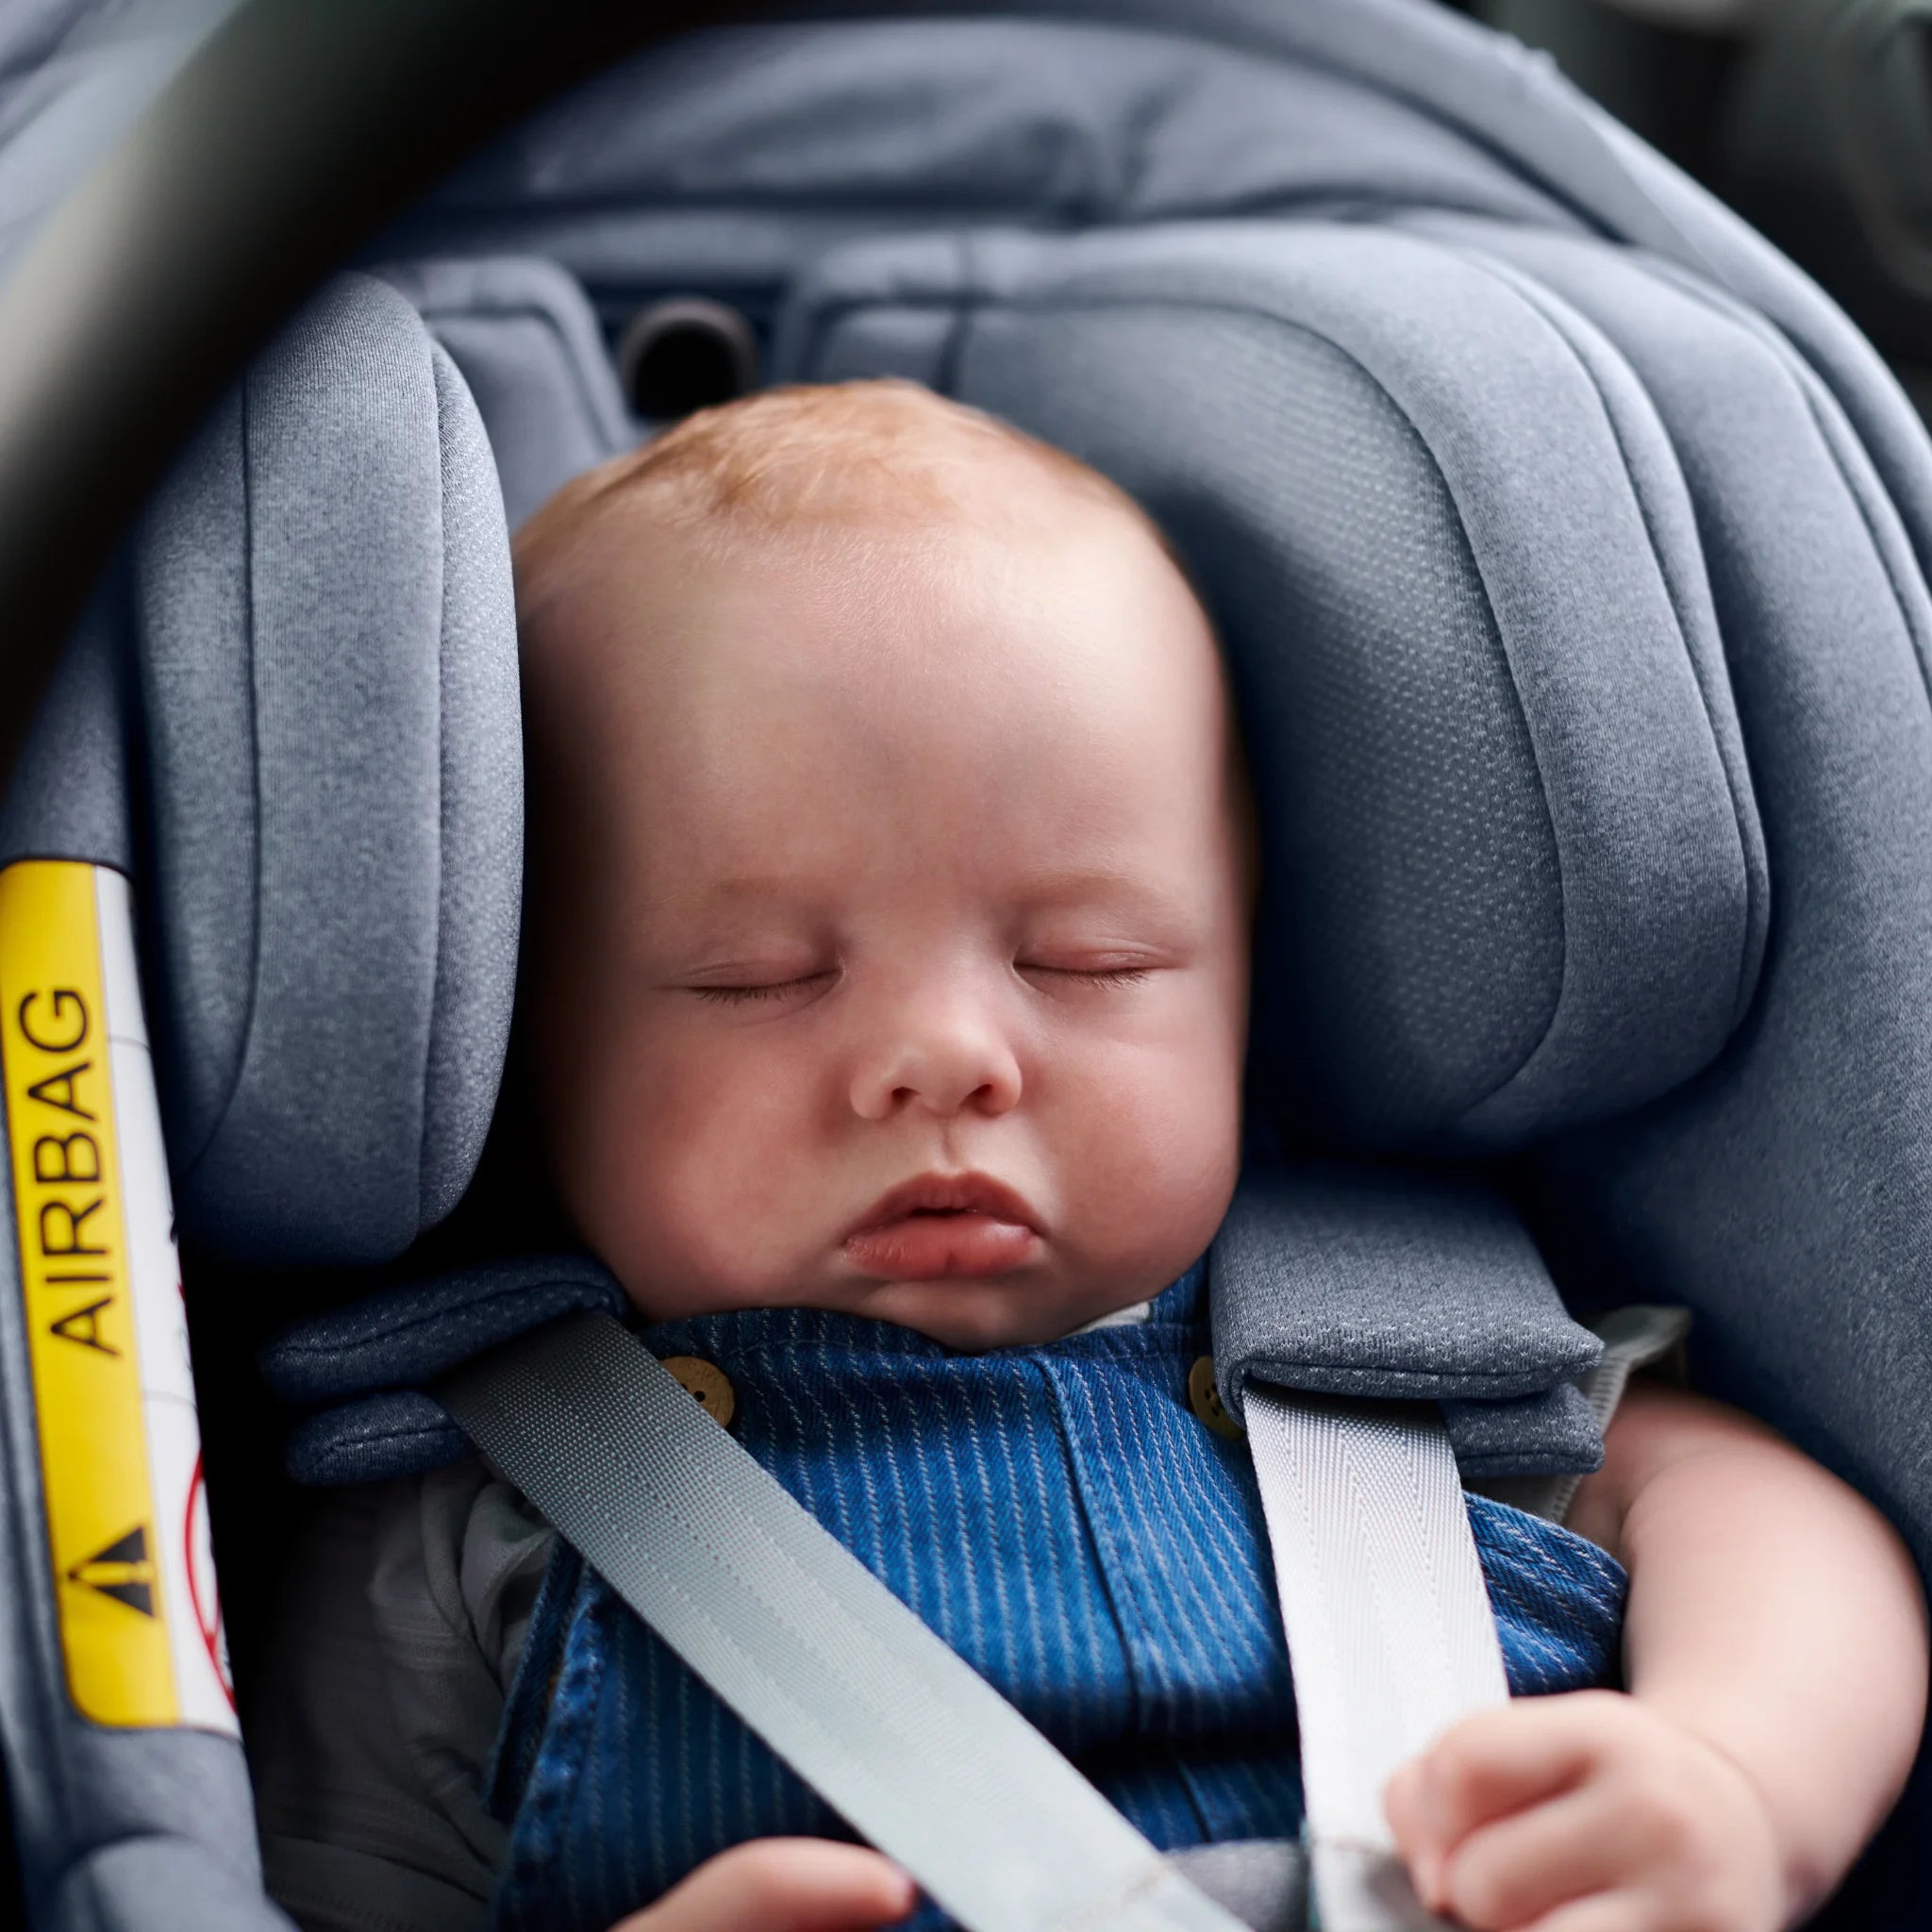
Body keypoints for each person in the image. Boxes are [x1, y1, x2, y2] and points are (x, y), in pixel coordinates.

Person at [250, 379, 1927, 1932]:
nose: (946, 1058)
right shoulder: (466, 1514)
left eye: (1088, 964)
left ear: (1245, 992)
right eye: (755, 980)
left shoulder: (1417, 1364)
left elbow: (1767, 1521)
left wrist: (1735, 1775)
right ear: (532, 1057)